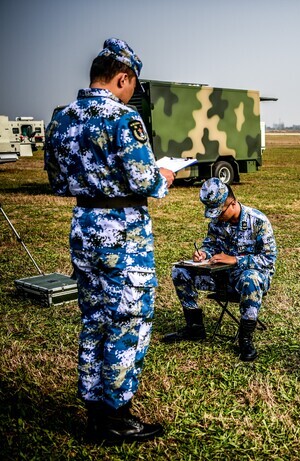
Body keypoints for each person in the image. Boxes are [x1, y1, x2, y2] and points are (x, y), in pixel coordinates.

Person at [44, 38, 174, 442]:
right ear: (123, 78)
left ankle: (94, 411)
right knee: (127, 323)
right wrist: (164, 176)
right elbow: (145, 180)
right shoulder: (123, 119)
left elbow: (57, 181)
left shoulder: (62, 119)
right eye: (133, 84)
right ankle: (116, 418)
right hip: (123, 234)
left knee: (94, 319)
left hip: (84, 226)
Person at [163, 178, 277, 362]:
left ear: (232, 203)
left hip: (248, 278)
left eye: (219, 212)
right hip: (221, 276)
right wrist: (203, 254)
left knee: (251, 278)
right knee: (180, 271)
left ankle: (245, 339)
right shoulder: (217, 222)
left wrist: (234, 260)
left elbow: (268, 259)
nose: (216, 217)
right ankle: (194, 327)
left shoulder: (258, 221)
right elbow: (211, 246)